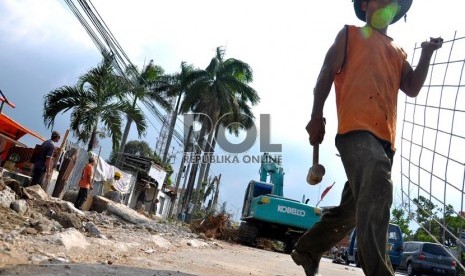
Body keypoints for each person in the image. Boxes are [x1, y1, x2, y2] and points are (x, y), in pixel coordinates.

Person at [292, 1, 443, 275]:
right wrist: (316, 115)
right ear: (364, 4)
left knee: (353, 209)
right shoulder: (349, 35)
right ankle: (379, 271)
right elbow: (326, 72)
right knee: (378, 180)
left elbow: (411, 87)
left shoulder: (398, 52)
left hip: (385, 141)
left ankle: (307, 249)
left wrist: (426, 55)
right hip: (355, 132)